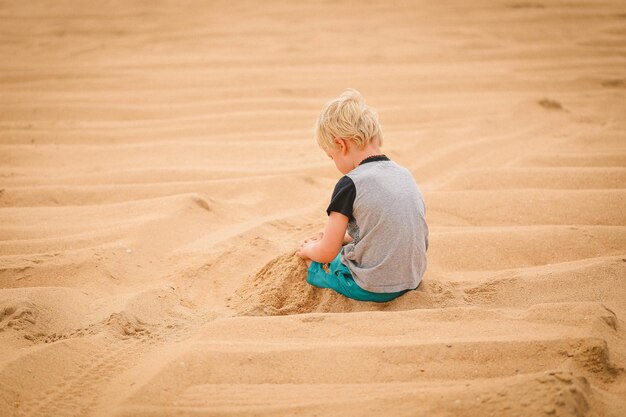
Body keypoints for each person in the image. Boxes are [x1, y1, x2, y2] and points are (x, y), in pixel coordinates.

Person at [296, 88, 429, 303]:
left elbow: (327, 252)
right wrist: (341, 237)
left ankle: (317, 275)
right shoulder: (404, 175)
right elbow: (388, 227)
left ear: (341, 144)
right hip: (411, 280)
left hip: (373, 288)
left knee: (328, 264)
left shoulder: (350, 184)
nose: (335, 163)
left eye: (332, 157)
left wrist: (310, 250)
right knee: (346, 245)